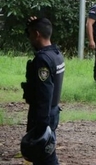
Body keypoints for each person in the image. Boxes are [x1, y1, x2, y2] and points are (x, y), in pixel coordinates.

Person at [21, 17, 65, 164]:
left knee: (44, 157)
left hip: (43, 114)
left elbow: (45, 93)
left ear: (37, 34)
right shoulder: (56, 54)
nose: (29, 38)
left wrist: (41, 124)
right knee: (44, 156)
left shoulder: (43, 59)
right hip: (52, 111)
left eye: (31, 34)